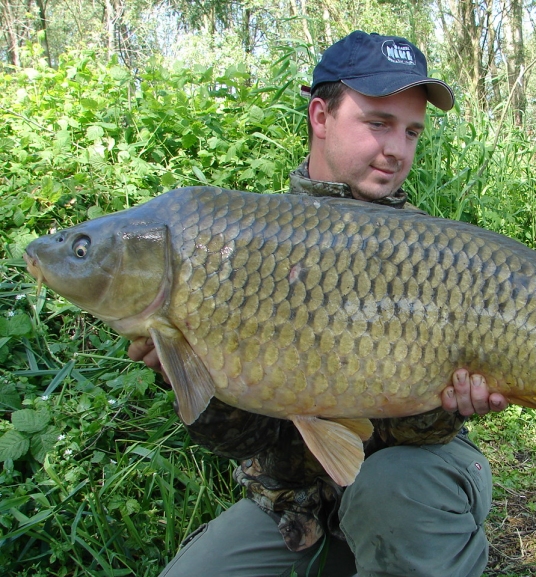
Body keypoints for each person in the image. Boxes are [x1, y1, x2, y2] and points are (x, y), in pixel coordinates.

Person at [129, 30, 508, 577]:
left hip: (410, 482)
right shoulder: (241, 244)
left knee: (390, 491)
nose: (397, 148)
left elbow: (410, 437)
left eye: (411, 131)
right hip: (298, 506)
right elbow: (245, 438)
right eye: (379, 123)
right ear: (320, 117)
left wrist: (450, 403)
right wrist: (185, 373)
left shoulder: (433, 255)